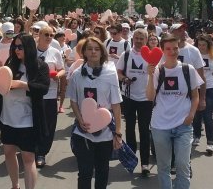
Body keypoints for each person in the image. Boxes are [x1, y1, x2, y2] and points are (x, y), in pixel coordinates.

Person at [147, 33, 203, 189]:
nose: (172, 51)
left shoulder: (188, 69)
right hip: (160, 126)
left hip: (183, 125)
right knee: (163, 167)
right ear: (162, 50)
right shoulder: (157, 70)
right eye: (168, 49)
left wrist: (191, 115)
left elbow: (195, 96)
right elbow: (150, 97)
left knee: (183, 166)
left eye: (175, 48)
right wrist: (150, 76)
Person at [67, 37, 123, 189]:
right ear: (84, 52)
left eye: (97, 49)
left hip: (105, 132)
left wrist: (118, 132)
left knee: (102, 170)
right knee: (84, 172)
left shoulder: (110, 73)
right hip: (83, 131)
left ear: (102, 52)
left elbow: (116, 104)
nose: (93, 52)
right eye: (89, 49)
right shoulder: (77, 74)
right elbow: (73, 100)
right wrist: (79, 119)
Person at [0, 33, 50, 189]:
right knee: (8, 152)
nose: (17, 50)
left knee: (28, 157)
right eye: (15, 47)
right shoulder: (11, 63)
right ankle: (15, 185)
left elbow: (43, 88)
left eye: (20, 47)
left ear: (29, 47)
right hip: (8, 117)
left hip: (28, 120)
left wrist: (22, 84)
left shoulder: (40, 66)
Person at [116, 28, 154, 176]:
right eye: (136, 38)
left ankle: (145, 163)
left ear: (146, 40)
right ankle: (131, 159)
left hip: (146, 98)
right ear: (133, 39)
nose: (138, 41)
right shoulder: (126, 55)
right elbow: (118, 73)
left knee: (145, 130)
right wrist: (124, 79)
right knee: (130, 129)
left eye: (141, 38)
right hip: (128, 97)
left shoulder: (152, 56)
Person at [35, 26, 65, 168]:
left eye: (51, 35)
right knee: (33, 122)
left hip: (50, 94)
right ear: (39, 35)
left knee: (48, 124)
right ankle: (31, 149)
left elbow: (62, 69)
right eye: (46, 34)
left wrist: (57, 76)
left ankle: (42, 152)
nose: (49, 37)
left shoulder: (55, 52)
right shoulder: (31, 51)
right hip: (32, 93)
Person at [192, 34, 213, 155]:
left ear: (208, 45)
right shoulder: (193, 55)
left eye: (204, 45)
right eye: (199, 45)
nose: (202, 47)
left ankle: (210, 143)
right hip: (196, 88)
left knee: (208, 116)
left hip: (210, 87)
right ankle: (197, 135)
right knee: (197, 115)